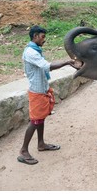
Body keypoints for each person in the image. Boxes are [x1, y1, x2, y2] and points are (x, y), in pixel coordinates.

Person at [18, 25, 75, 165]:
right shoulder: (31, 52)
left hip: (41, 89)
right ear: (35, 36)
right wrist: (67, 62)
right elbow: (46, 66)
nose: (45, 40)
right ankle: (23, 151)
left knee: (41, 118)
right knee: (35, 121)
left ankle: (41, 144)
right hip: (36, 92)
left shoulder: (35, 50)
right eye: (42, 37)